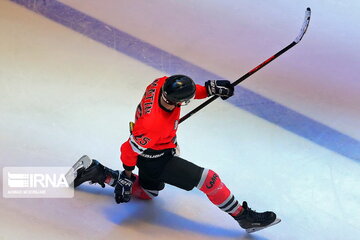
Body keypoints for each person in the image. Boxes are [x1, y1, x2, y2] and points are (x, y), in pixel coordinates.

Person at [73, 75, 280, 233]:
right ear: (176, 102)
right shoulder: (153, 125)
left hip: (158, 148)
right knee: (209, 179)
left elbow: (186, 91)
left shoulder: (161, 83)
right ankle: (244, 218)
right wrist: (127, 177)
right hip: (157, 158)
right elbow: (128, 150)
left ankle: (98, 172)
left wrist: (209, 89)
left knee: (148, 193)